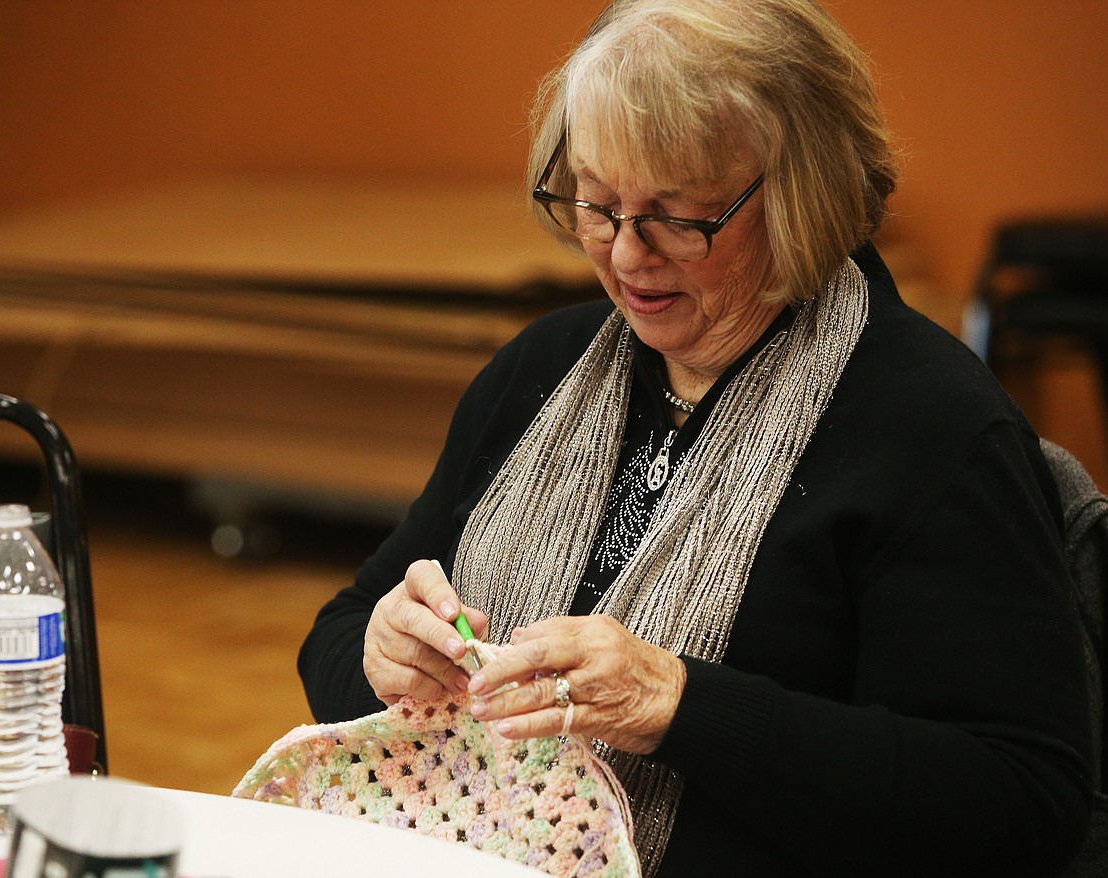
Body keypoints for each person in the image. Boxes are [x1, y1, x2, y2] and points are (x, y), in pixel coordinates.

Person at [298, 1, 1093, 874]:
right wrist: (380, 655)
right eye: (597, 205)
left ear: (803, 194)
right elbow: (337, 634)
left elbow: (1019, 801)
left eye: (680, 216)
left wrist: (678, 705)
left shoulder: (932, 428)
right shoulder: (540, 372)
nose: (628, 257)